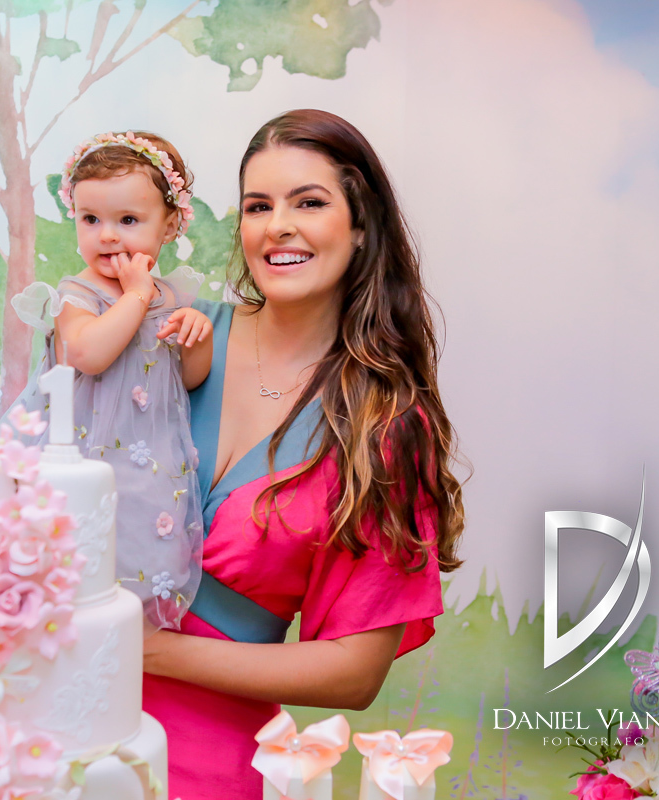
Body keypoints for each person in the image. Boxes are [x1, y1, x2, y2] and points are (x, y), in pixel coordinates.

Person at [141, 109, 466, 798]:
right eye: (258, 206)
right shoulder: (169, 338)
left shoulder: (383, 424)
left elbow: (354, 672)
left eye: (309, 203)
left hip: (210, 759)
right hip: (64, 714)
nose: (278, 226)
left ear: (360, 226)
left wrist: (151, 651)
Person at [8, 131, 213, 630]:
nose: (107, 236)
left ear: (169, 226)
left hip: (149, 457)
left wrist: (195, 335)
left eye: (128, 221)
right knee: (79, 546)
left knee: (140, 539)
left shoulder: (169, 296)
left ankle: (131, 636)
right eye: (90, 219)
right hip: (81, 450)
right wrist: (136, 296)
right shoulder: (77, 293)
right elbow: (88, 354)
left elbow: (189, 378)